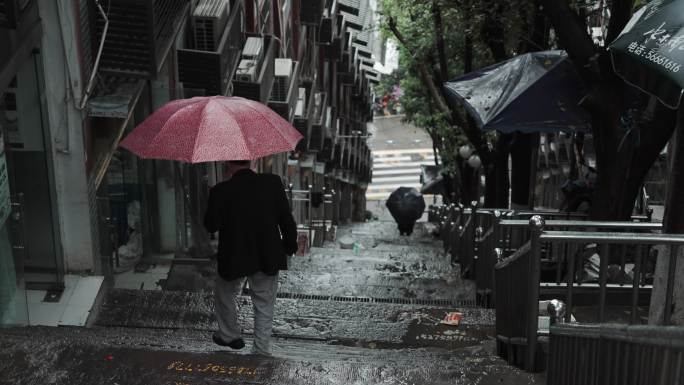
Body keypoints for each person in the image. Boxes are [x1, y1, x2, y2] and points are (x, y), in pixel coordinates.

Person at [204, 160, 298, 356]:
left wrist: (212, 197)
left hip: (234, 256)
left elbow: (211, 225)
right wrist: (289, 246)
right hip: (267, 253)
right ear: (252, 161)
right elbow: (286, 218)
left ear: (229, 164)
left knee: (224, 293)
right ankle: (261, 349)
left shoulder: (221, 190)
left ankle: (229, 335)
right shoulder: (272, 183)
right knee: (264, 302)